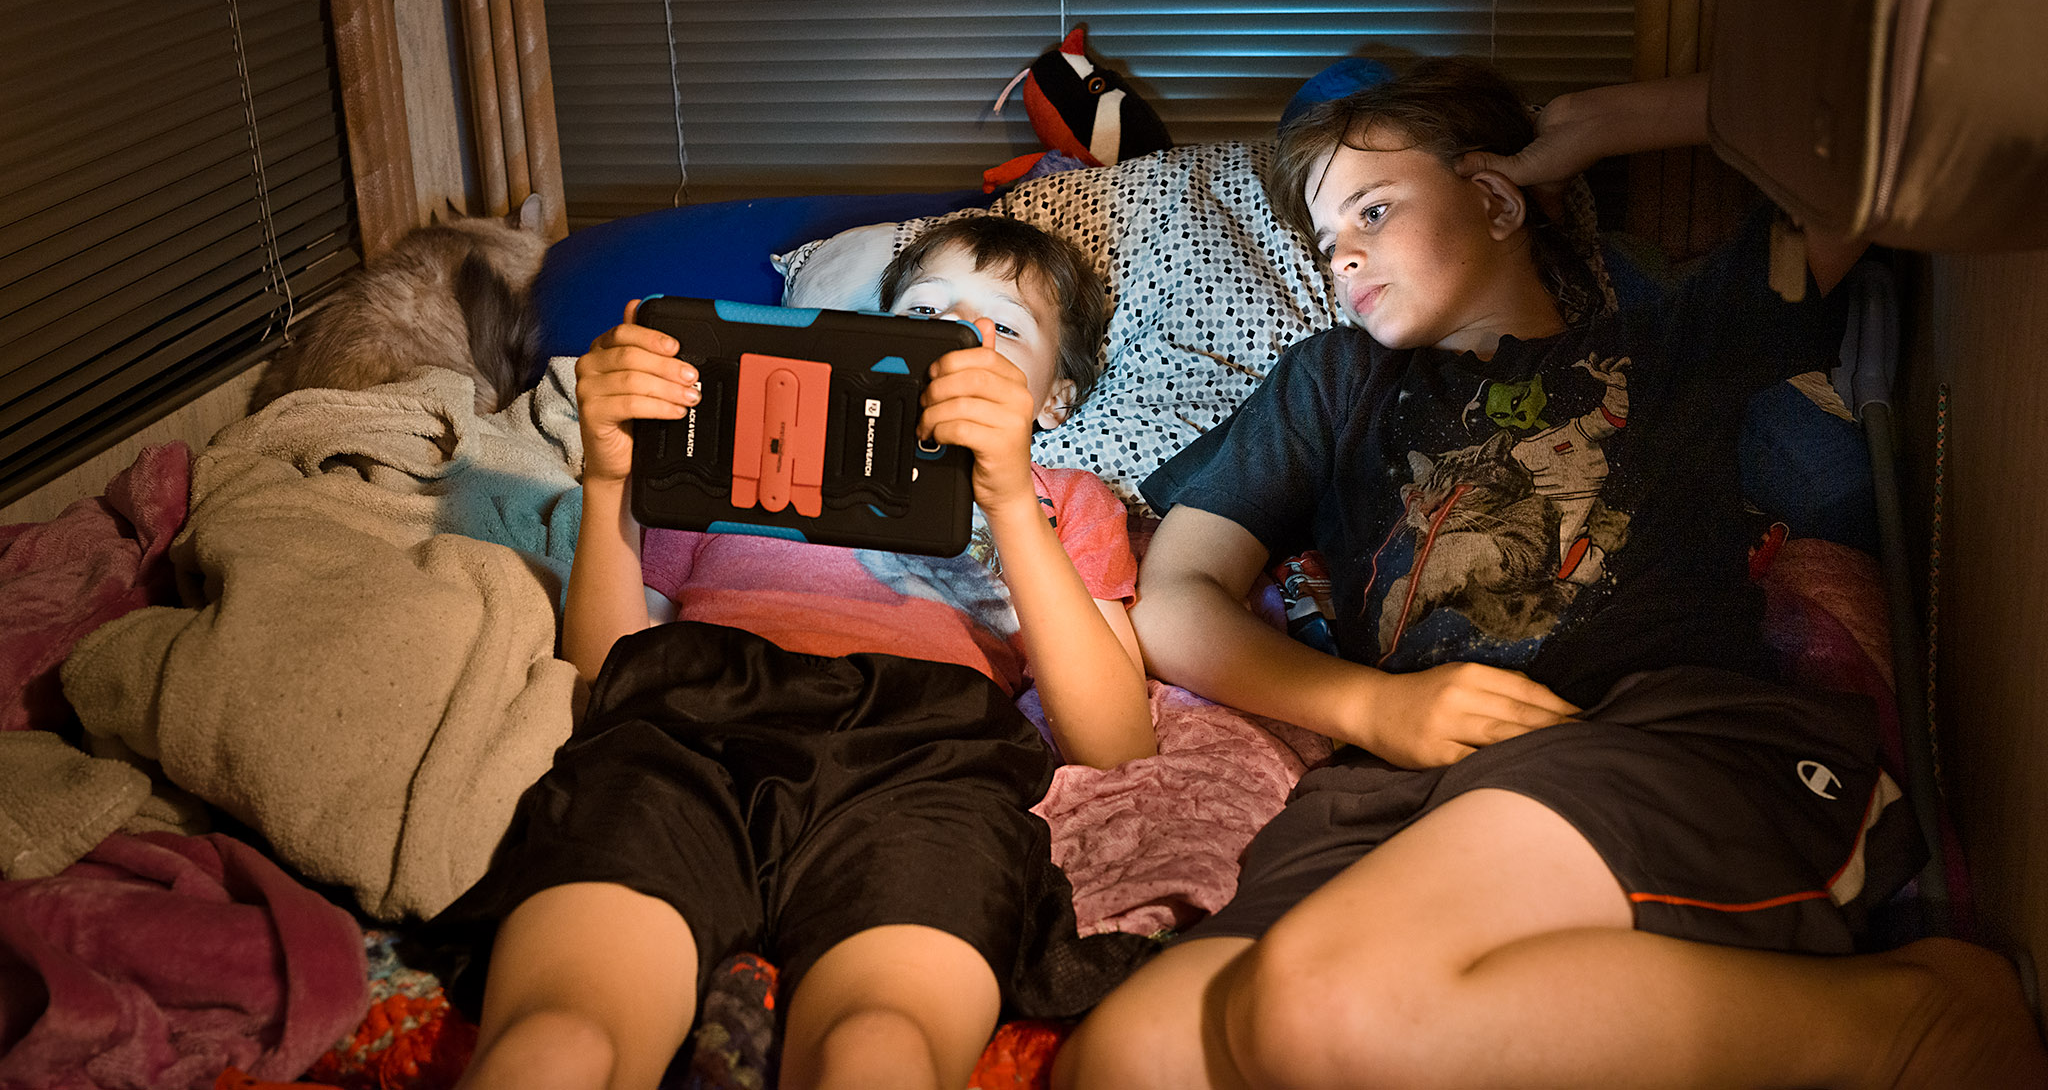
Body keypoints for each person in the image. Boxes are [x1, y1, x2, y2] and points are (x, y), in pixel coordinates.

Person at [1057, 59, 2048, 1090]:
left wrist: (1608, 121)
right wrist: (1369, 708)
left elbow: (1883, 124)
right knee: (1126, 1056)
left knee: (1328, 1009)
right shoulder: (1333, 382)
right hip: (1389, 791)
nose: (1341, 254)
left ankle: (1910, 1022)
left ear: (1494, 200)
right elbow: (1175, 600)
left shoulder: (1676, 343)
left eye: (1373, 210)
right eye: (1325, 239)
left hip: (1646, 734)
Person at [434, 214, 1157, 1090]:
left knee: (878, 1050)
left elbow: (1115, 740)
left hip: (925, 755)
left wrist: (1008, 500)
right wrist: (611, 479)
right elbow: (606, 669)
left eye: (1004, 327)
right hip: (690, 724)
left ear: (1054, 400)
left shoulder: (1066, 501)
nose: (957, 337)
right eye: (924, 313)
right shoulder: (735, 453)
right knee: (560, 1041)